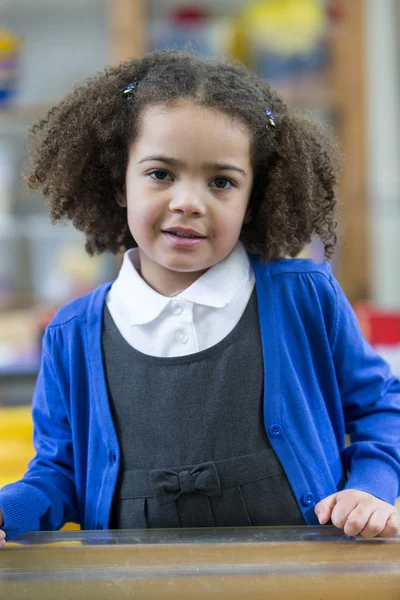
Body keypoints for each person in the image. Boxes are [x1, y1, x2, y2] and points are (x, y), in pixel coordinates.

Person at [0, 50, 399, 548]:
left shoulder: (305, 296)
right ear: (119, 181)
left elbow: (383, 405)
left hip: (301, 581)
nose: (188, 202)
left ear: (252, 199)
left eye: (222, 182)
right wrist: (9, 508)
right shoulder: (72, 333)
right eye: (160, 174)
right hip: (138, 587)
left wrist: (372, 488)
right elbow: (58, 473)